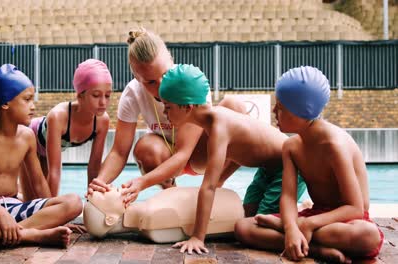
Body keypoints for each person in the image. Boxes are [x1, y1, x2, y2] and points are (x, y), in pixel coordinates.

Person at [234, 66, 383, 263]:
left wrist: (304, 224)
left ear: (301, 112)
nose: (273, 111)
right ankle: (316, 249)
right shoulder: (291, 147)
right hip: (315, 217)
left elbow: (356, 208)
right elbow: (288, 196)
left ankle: (295, 236)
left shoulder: (334, 146)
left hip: (345, 221)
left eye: (280, 107)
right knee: (243, 228)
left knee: (368, 236)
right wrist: (291, 227)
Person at [158, 64, 306, 254]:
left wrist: (197, 237)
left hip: (289, 169)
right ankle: (294, 214)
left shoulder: (219, 128)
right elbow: (242, 153)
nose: (164, 114)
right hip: (268, 169)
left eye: (168, 107)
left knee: (253, 229)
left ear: (187, 107)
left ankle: (308, 237)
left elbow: (208, 187)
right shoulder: (214, 123)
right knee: (247, 214)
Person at [88, 27, 246, 203]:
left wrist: (142, 182)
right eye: (150, 82)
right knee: (145, 149)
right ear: (136, 77)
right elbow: (118, 152)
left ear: (171, 61)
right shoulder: (132, 93)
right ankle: (172, 194)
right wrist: (100, 182)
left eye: (165, 74)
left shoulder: (190, 82)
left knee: (234, 106)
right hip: (163, 157)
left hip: (197, 154)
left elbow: (184, 153)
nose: (161, 86)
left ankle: (215, 186)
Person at [0, 64, 83, 252]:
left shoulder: (27, 136)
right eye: (26, 100)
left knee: (73, 202)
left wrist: (53, 215)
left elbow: (38, 184)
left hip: (14, 207)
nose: (33, 106)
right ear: (5, 103)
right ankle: (32, 235)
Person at [22, 59, 112, 199]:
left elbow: (94, 167)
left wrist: (92, 201)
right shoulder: (59, 116)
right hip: (28, 143)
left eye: (107, 95)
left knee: (41, 199)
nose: (103, 102)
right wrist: (52, 210)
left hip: (46, 151)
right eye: (96, 95)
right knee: (31, 202)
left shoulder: (102, 121)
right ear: (80, 95)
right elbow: (55, 171)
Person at [84, 187, 243, 243]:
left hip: (233, 204)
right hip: (235, 211)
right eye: (103, 195)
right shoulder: (154, 218)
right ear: (110, 219)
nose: (108, 187)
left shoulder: (152, 208)